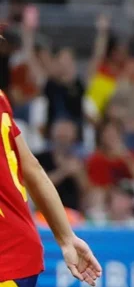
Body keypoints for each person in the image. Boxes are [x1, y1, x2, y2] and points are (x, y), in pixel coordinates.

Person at [0, 88, 102, 285]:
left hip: (6, 257)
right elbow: (33, 168)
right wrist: (66, 237)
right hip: (18, 249)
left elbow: (31, 169)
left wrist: (67, 238)